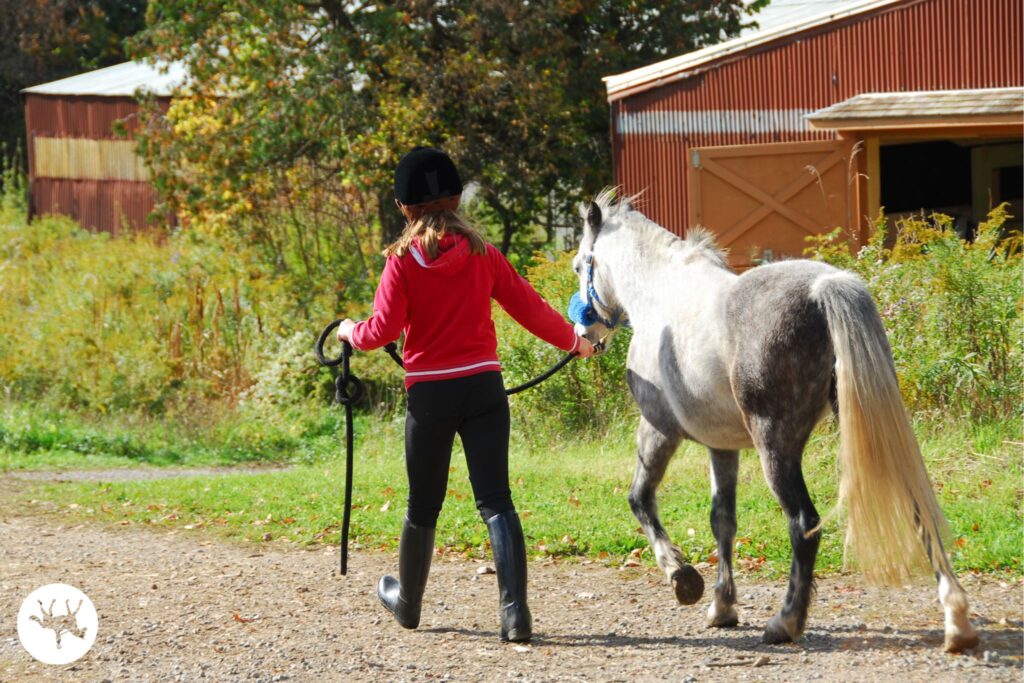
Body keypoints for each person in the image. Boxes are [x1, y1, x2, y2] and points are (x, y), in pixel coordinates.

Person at [335, 146, 595, 643]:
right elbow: (529, 306)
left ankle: (407, 605)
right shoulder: (483, 252)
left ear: (402, 207)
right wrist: (573, 342)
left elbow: (381, 330)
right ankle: (515, 614)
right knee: (497, 500)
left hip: (430, 395)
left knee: (422, 504)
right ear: (456, 198)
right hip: (483, 389)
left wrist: (349, 330)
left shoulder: (401, 263)